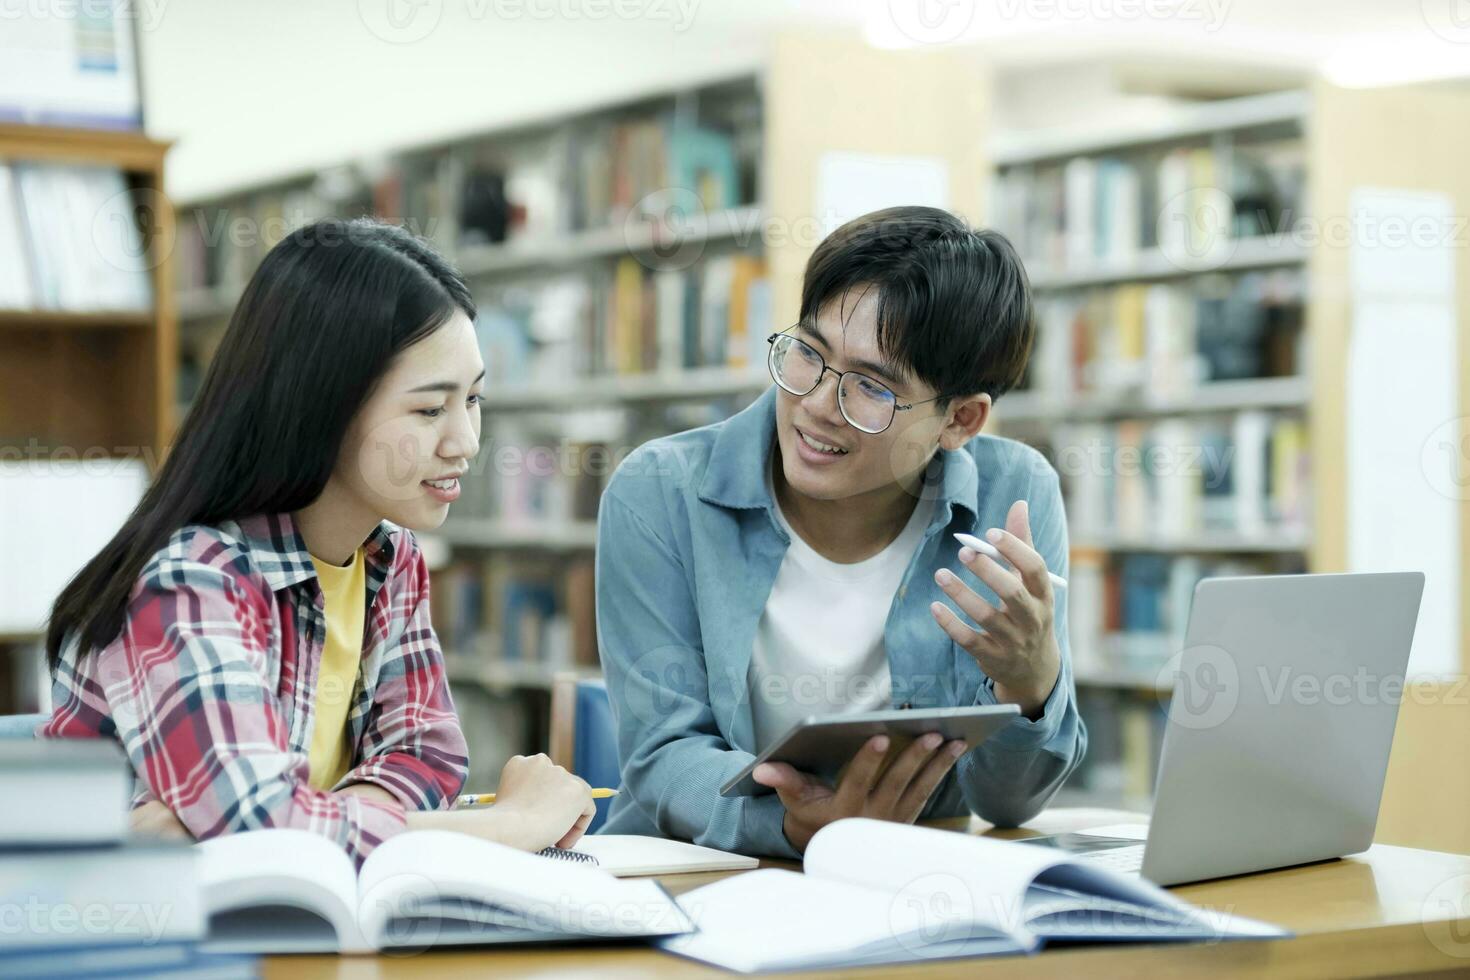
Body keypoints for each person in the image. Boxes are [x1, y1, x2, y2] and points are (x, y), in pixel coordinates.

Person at [42, 218, 593, 863]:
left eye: (472, 399)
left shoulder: (393, 559)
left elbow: (428, 756)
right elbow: (261, 828)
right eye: (428, 409)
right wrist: (513, 826)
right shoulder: (191, 581)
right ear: (322, 406)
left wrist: (302, 820)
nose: (466, 441)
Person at [596, 206, 1086, 856]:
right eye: (807, 354)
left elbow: (1007, 806)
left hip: (909, 886)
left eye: (870, 388)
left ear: (961, 421)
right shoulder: (659, 492)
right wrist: (792, 826)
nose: (817, 406)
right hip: (699, 882)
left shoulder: (1014, 495)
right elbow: (663, 757)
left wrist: (1029, 685)